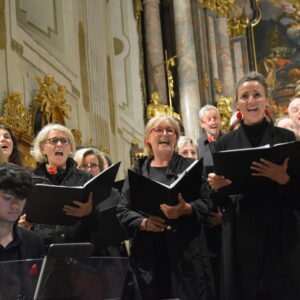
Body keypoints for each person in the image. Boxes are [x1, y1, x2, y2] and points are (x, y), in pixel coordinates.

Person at [208, 72, 300, 300]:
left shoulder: (286, 137)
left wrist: (284, 179)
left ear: (266, 100)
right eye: (245, 96)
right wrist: (216, 186)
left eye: (257, 95)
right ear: (237, 103)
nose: (251, 101)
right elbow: (214, 200)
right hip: (240, 229)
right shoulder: (223, 143)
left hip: (281, 228)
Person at [117, 115, 214, 300]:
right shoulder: (138, 171)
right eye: (159, 130)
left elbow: (207, 202)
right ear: (148, 139)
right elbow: (122, 209)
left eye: (171, 130)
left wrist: (185, 208)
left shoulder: (191, 167)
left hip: (186, 254)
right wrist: (143, 222)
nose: (165, 134)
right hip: (148, 255)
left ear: (176, 138)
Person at [18, 124, 96, 247]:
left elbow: (100, 222)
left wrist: (89, 212)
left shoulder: (85, 178)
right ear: (43, 148)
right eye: (53, 141)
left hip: (78, 250)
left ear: (70, 147)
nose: (59, 144)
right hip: (42, 250)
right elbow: (16, 217)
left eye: (64, 141)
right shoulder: (29, 180)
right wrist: (22, 226)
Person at [74, 147, 127, 256]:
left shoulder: (112, 193)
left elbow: (122, 224)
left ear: (101, 168)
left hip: (109, 254)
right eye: (84, 166)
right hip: (80, 253)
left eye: (94, 165)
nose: (89, 169)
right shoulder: (71, 193)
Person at [197, 105, 222, 176]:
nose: (213, 122)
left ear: (220, 120)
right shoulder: (198, 145)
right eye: (209, 119)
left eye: (215, 118)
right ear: (202, 123)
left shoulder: (230, 140)